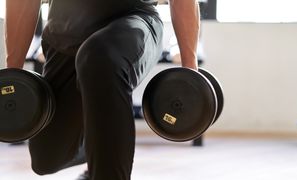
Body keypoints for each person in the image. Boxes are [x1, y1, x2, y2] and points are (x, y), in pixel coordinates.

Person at [5, 0, 200, 179]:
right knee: (46, 159)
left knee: (100, 57)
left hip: (134, 23)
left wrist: (191, 70)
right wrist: (12, 77)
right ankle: (101, 146)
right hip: (65, 37)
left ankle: (105, 166)